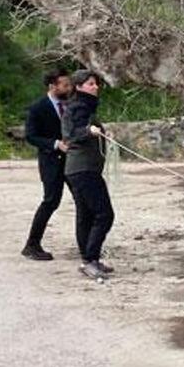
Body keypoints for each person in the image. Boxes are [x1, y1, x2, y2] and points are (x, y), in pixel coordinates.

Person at [62, 70, 116, 279]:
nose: (96, 87)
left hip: (85, 169)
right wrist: (88, 132)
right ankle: (90, 258)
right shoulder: (75, 107)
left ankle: (88, 260)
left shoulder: (87, 107)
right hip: (81, 169)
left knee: (85, 215)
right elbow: (69, 135)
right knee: (104, 214)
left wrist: (102, 134)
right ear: (79, 87)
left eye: (96, 83)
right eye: (90, 84)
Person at [22, 69, 75, 260]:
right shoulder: (38, 108)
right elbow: (31, 136)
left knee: (82, 199)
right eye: (65, 85)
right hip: (51, 161)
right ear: (53, 86)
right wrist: (55, 144)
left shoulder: (70, 105)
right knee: (51, 201)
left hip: (72, 161)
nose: (69, 88)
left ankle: (87, 245)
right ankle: (32, 245)